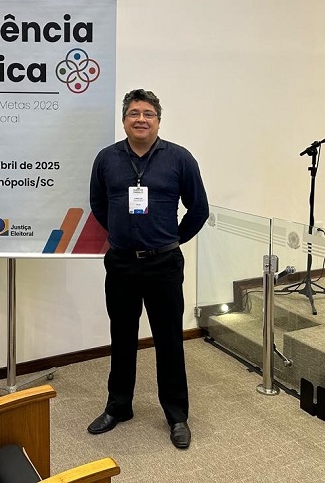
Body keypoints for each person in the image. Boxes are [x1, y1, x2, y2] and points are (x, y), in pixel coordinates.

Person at [87, 88, 209, 449]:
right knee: (122, 337)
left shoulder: (179, 158)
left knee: (169, 340)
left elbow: (199, 209)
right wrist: (123, 234)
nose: (141, 119)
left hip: (164, 265)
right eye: (134, 113)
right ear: (124, 120)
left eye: (148, 114)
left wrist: (171, 238)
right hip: (121, 263)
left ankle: (177, 415)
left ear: (158, 120)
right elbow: (98, 204)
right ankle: (118, 406)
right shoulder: (107, 159)